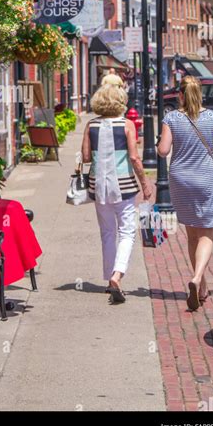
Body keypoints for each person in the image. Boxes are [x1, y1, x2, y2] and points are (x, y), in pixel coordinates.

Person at [157, 75, 213, 311]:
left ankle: (200, 286)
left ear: (180, 95)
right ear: (200, 94)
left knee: (192, 235)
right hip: (206, 180)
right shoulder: (212, 118)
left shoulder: (171, 118)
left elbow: (163, 151)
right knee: (207, 235)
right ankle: (197, 278)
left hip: (181, 180)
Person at [82, 84, 153, 303]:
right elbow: (134, 158)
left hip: (99, 186)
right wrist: (145, 183)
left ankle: (109, 278)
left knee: (107, 232)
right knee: (127, 232)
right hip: (125, 186)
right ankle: (117, 275)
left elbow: (85, 157)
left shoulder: (91, 125)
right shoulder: (127, 125)